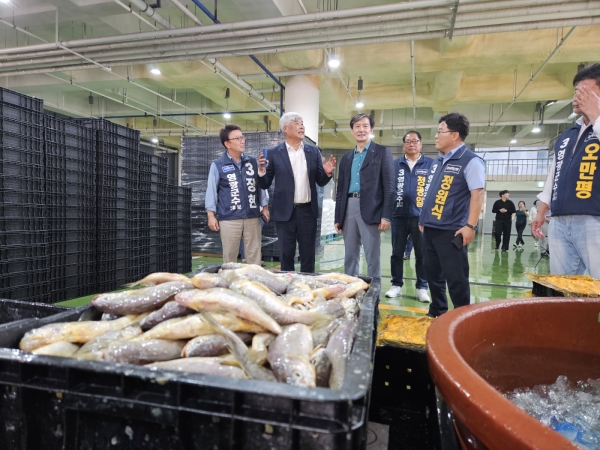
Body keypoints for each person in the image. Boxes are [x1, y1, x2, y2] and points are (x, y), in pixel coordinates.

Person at [532, 63, 600, 277]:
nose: (577, 97)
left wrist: (596, 115)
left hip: (594, 218)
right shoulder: (568, 135)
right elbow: (555, 173)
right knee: (562, 287)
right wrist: (543, 209)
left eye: (585, 91)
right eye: (576, 91)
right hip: (560, 221)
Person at [419, 112, 485, 318]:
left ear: (454, 135)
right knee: (433, 275)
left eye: (440, 131)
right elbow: (432, 192)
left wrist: (470, 226)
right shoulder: (438, 161)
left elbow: (477, 194)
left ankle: (461, 318)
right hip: (430, 228)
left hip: (451, 230)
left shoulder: (471, 161)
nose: (436, 136)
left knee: (455, 277)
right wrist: (423, 218)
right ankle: (437, 312)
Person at [258, 112, 336, 273]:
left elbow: (320, 181)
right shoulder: (274, 153)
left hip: (307, 211)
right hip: (285, 212)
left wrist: (327, 173)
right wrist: (260, 171)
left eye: (302, 123)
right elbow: (265, 183)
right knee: (286, 253)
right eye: (297, 123)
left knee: (308, 253)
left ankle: (307, 286)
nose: (302, 126)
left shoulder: (313, 152)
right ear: (285, 128)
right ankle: (288, 288)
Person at [334, 113, 394, 279]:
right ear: (352, 131)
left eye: (365, 126)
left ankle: (373, 300)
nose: (361, 129)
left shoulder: (382, 152)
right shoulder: (346, 158)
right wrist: (338, 217)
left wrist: (386, 216)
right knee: (350, 255)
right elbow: (340, 190)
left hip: (372, 209)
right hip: (349, 208)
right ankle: (351, 294)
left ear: (371, 129)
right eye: (357, 126)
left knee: (372, 257)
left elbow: (389, 187)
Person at [205, 124, 264, 265]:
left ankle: (253, 285)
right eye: (237, 138)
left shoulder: (252, 162)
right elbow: (211, 190)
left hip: (252, 216)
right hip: (229, 218)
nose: (242, 141)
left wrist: (265, 206)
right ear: (227, 144)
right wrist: (210, 215)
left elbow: (261, 186)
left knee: (254, 257)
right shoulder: (218, 165)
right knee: (230, 259)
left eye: (242, 137)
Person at [385, 130, 433, 302]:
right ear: (403, 145)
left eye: (415, 141)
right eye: (408, 141)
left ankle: (422, 287)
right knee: (396, 253)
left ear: (421, 144)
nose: (411, 144)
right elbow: (388, 190)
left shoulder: (431, 165)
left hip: (421, 218)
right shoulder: (394, 164)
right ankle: (396, 285)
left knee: (422, 254)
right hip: (398, 216)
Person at [239, 190, 269, 262]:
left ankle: (254, 260)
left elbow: (265, 196)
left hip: (258, 212)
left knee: (255, 238)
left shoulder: (260, 180)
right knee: (245, 237)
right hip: (243, 211)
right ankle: (245, 259)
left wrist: (265, 209)